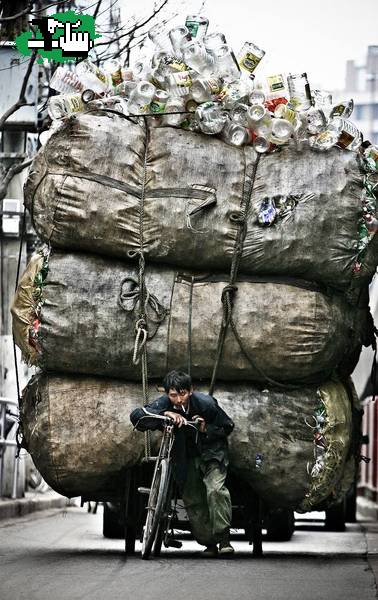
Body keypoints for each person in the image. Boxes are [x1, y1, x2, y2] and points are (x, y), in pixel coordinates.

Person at [130, 369, 235, 556]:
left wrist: (206, 428)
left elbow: (227, 426)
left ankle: (223, 540)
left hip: (212, 454)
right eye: (173, 395)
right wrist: (167, 413)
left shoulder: (206, 404)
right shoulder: (165, 403)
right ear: (167, 393)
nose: (178, 400)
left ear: (190, 391)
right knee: (193, 499)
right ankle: (208, 542)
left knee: (215, 490)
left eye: (182, 394)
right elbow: (137, 415)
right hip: (184, 457)